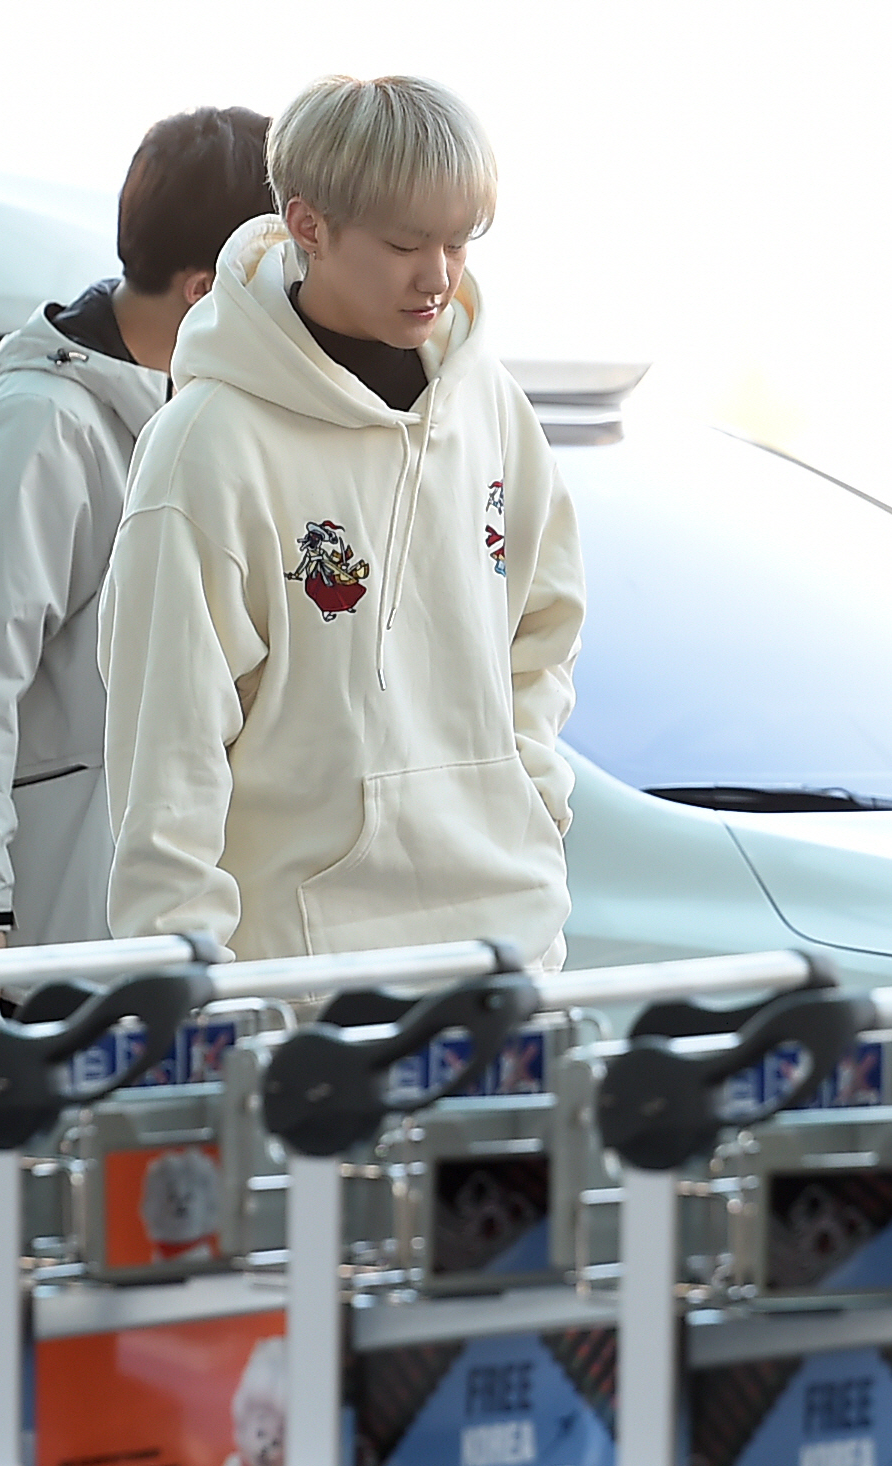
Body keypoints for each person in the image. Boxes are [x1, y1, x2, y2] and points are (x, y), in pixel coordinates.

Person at [99, 75, 585, 969]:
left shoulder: (493, 408)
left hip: (507, 951)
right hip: (297, 978)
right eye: (405, 243)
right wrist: (178, 969)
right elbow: (167, 738)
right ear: (308, 225)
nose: (438, 275)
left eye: (458, 241)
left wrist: (530, 794)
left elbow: (544, 632)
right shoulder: (210, 443)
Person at [0, 106, 273, 953]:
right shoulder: (45, 421)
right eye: (280, 269)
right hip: (45, 931)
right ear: (205, 290)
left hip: (157, 927)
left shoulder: (206, 416)